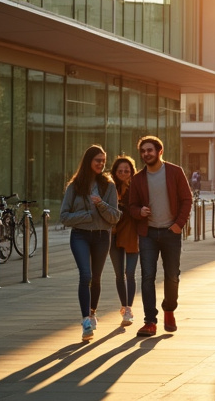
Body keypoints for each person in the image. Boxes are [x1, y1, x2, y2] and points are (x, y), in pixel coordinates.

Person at [129, 136, 193, 337]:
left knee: (172, 275)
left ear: (159, 151)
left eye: (150, 150)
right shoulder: (138, 178)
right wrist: (139, 212)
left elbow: (186, 199)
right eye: (143, 151)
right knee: (147, 276)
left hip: (170, 232)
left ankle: (169, 310)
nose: (146, 154)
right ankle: (150, 321)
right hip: (147, 233)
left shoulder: (174, 172)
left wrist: (178, 225)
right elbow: (131, 206)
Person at [60, 145, 121, 341]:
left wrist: (100, 204)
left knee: (96, 277)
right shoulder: (75, 186)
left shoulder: (108, 185)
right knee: (85, 274)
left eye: (103, 161)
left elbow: (115, 217)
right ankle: (86, 319)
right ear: (88, 161)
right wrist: (86, 216)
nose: (101, 164)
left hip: (103, 236)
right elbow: (64, 216)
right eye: (98, 160)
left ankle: (93, 311)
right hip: (80, 236)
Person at [108, 155, 138, 329]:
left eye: (126, 170)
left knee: (131, 273)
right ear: (115, 171)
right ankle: (124, 305)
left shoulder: (136, 187)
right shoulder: (109, 188)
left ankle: (129, 308)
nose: (123, 173)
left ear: (131, 171)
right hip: (113, 234)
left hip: (132, 234)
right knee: (119, 274)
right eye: (120, 170)